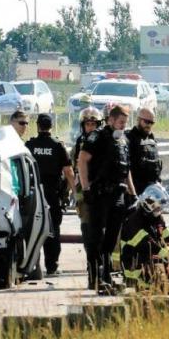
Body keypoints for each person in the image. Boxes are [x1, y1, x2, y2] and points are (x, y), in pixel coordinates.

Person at [77, 104, 137, 294]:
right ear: (110, 120)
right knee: (96, 237)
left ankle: (106, 275)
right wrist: (86, 187)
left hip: (118, 195)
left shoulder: (123, 140)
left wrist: (132, 193)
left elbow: (125, 168)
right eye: (120, 122)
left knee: (112, 238)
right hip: (100, 194)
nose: (122, 126)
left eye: (125, 123)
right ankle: (97, 277)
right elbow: (82, 160)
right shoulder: (98, 137)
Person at [26, 114, 76, 276]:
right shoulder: (57, 146)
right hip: (52, 195)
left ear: (38, 126)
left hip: (33, 195)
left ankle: (32, 266)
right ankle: (52, 266)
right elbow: (68, 172)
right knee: (52, 231)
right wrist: (73, 193)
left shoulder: (29, 145)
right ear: (51, 126)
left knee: (32, 229)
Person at [120, 184, 169, 292]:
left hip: (156, 259)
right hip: (138, 264)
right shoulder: (134, 220)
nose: (160, 210)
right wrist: (163, 253)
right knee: (160, 284)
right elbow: (146, 242)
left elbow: (167, 235)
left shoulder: (156, 217)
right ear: (149, 205)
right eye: (158, 208)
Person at [71, 106, 103, 289]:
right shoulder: (79, 143)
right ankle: (92, 273)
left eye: (93, 124)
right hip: (85, 195)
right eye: (87, 124)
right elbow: (75, 167)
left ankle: (103, 271)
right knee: (88, 233)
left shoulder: (104, 141)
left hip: (101, 193)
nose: (90, 127)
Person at [126, 108, 162, 197]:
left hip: (151, 190)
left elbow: (157, 166)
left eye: (151, 122)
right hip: (136, 190)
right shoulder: (129, 138)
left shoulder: (151, 139)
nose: (149, 125)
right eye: (146, 122)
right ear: (138, 120)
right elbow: (125, 169)